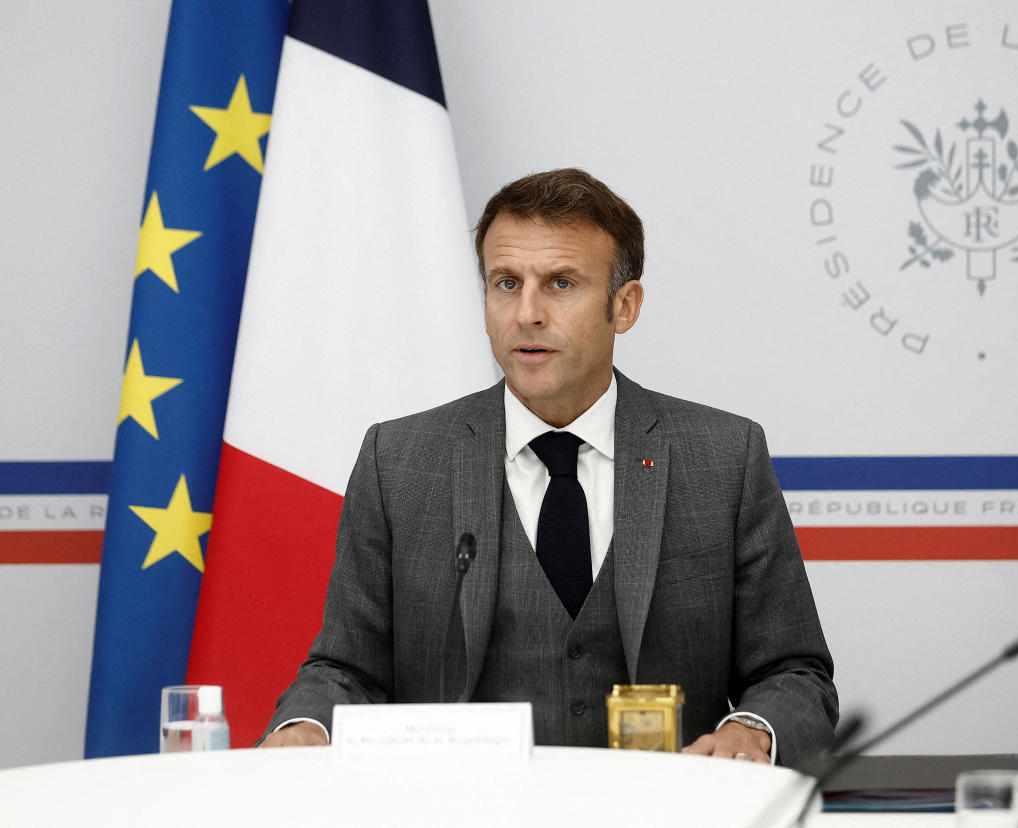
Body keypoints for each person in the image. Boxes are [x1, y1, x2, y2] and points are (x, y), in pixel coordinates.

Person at [258, 168, 837, 767]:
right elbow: (345, 669)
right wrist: (307, 726)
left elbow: (795, 674)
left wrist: (753, 731)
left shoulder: (722, 457)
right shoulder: (400, 461)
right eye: (506, 283)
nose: (527, 313)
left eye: (561, 284)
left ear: (625, 305)